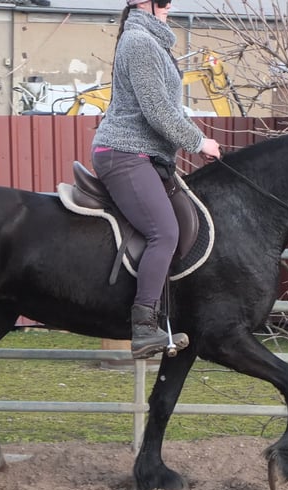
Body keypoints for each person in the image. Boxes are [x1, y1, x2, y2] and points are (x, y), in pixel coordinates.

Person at [91, 0, 222, 359]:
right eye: (163, 0)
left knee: (182, 223)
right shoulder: (138, 42)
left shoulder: (154, 43)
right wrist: (198, 141)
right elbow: (158, 110)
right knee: (163, 232)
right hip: (124, 153)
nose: (170, 5)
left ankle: (167, 318)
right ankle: (144, 325)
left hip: (148, 157)